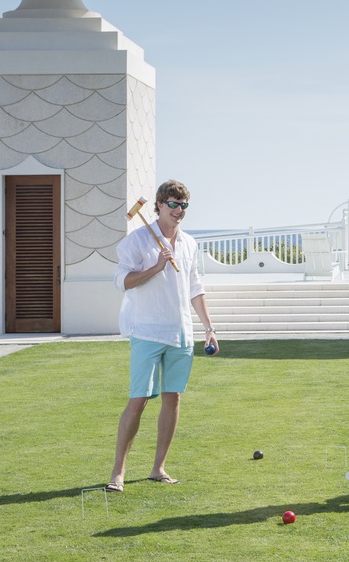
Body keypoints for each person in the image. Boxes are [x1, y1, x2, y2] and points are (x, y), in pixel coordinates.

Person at [106, 180, 218, 492]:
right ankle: (117, 473)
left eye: (183, 205)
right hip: (146, 331)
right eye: (173, 204)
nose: (179, 210)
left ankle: (158, 468)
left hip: (181, 332)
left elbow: (195, 288)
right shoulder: (138, 240)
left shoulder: (189, 244)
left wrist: (209, 328)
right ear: (158, 205)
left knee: (173, 398)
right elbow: (122, 282)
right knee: (138, 400)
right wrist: (156, 267)